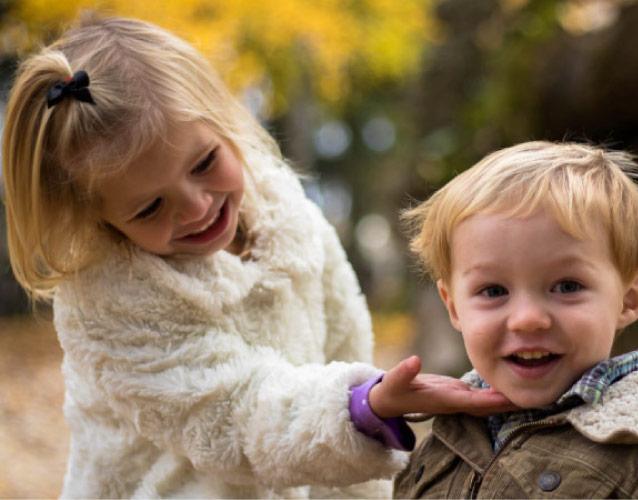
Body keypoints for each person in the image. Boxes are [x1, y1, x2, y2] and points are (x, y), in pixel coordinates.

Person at [1, 14, 511, 499]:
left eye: (205, 162)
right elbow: (234, 419)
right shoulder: (109, 303)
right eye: (151, 207)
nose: (197, 208)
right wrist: (361, 408)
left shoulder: (286, 218)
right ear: (101, 220)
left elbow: (342, 341)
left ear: (223, 123)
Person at [394, 141, 638, 498]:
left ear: (629, 298)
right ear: (454, 307)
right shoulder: (443, 442)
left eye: (566, 286)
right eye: (493, 291)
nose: (527, 320)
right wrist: (366, 409)